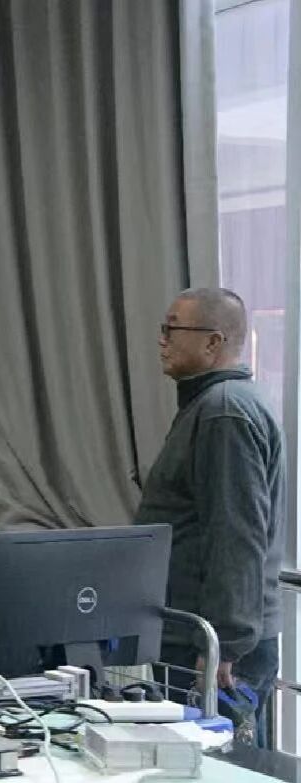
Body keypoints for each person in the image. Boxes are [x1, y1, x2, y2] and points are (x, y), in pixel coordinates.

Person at [137, 287, 284, 747]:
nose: (161, 339)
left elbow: (237, 534)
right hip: (201, 634)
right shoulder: (214, 405)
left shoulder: (224, 413)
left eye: (172, 328)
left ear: (212, 342)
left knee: (221, 767)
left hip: (211, 644)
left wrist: (223, 641)